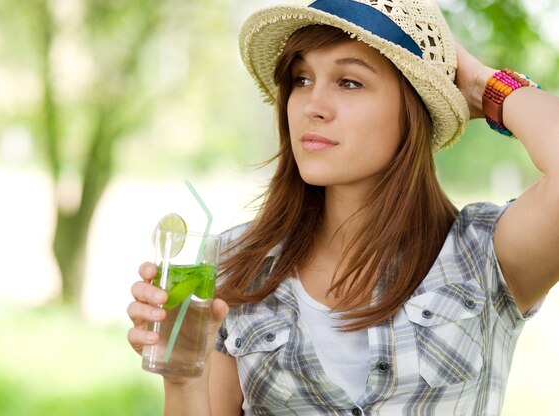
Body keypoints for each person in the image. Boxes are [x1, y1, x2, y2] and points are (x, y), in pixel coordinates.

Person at [127, 0, 559, 414]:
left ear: (412, 109)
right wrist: (181, 376)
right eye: (301, 79)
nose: (313, 106)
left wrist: (484, 86)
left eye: (349, 82)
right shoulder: (234, 264)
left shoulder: (484, 255)